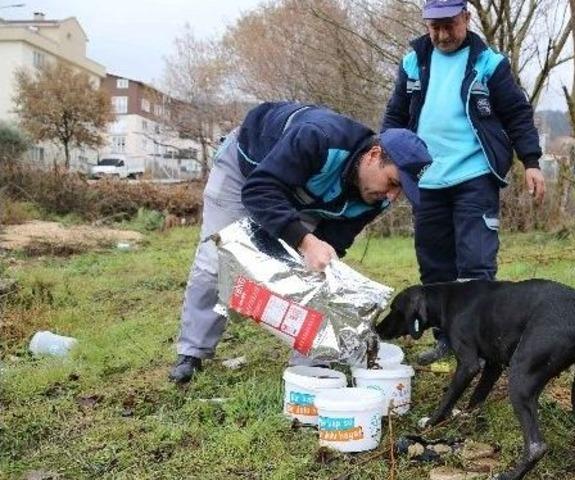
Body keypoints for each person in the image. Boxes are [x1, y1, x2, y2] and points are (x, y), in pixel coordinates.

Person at [170, 101, 432, 383]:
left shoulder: (375, 198)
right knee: (215, 260)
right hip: (248, 171)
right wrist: (305, 241)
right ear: (374, 154)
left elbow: (332, 242)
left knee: (314, 272)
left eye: (402, 191)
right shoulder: (318, 137)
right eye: (393, 182)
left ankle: (309, 364)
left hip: (304, 195)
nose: (392, 197)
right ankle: (192, 352)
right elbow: (259, 191)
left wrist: (315, 253)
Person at [381, 0, 546, 365]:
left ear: (466, 19)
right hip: (426, 180)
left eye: (449, 25)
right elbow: (394, 116)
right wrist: (387, 162)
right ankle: (447, 340)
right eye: (433, 26)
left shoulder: (489, 64)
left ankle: (482, 344)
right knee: (435, 268)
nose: (441, 34)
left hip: (474, 174)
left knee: (475, 265)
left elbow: (517, 114)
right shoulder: (413, 61)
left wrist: (530, 161)